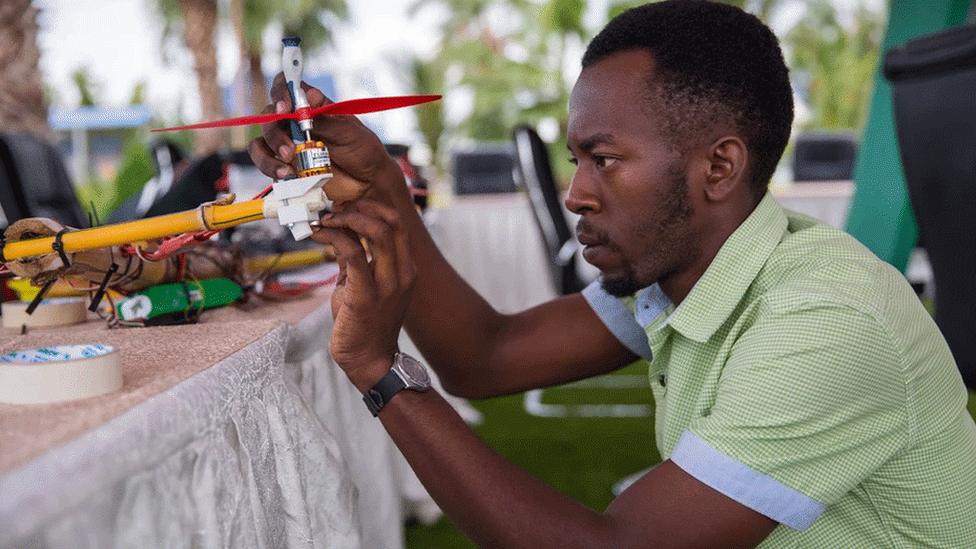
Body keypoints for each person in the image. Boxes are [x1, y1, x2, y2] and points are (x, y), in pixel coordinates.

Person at [250, 1, 976, 546]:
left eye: (605, 159)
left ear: (718, 167)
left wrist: (380, 370)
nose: (576, 193)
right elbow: (484, 355)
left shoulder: (825, 322)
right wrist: (380, 179)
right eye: (577, 160)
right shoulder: (685, 270)